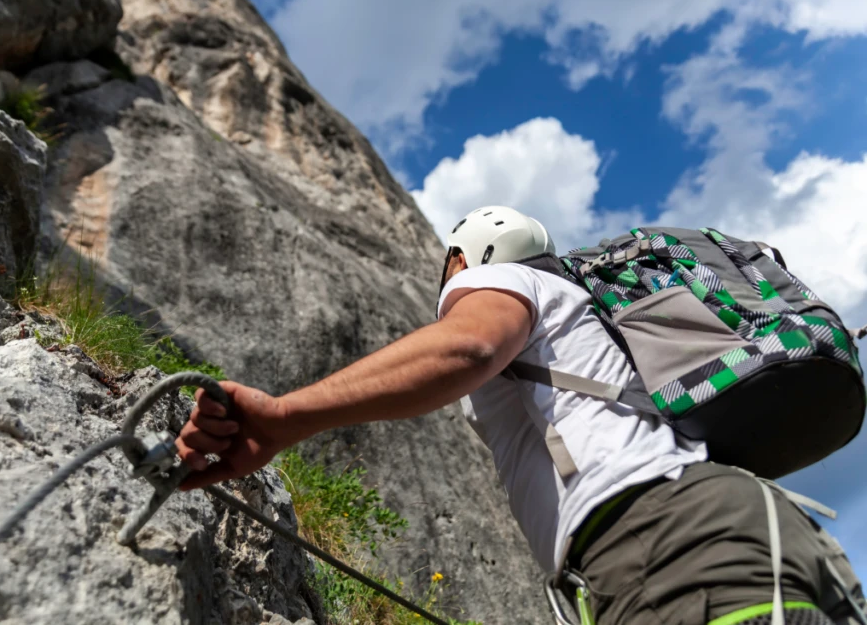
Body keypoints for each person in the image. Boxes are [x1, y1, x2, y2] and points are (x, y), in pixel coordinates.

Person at [175, 205, 866, 625]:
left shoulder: (495, 278)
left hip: (664, 546)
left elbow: (469, 345)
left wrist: (286, 416)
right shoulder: (589, 316)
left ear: (460, 257)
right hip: (739, 532)